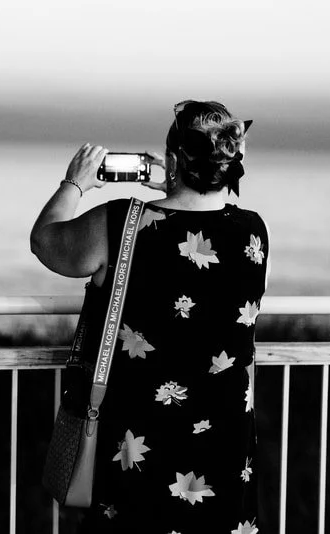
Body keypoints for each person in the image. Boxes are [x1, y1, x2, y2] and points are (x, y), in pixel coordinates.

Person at [31, 101, 269, 534]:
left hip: (140, 443)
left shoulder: (123, 221)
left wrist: (75, 183)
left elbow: (46, 241)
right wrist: (180, 180)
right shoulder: (252, 231)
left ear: (174, 159)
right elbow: (202, 217)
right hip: (224, 443)